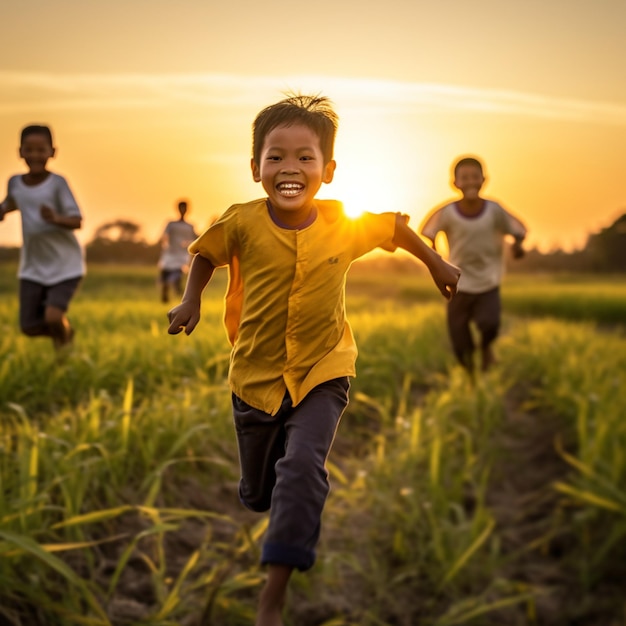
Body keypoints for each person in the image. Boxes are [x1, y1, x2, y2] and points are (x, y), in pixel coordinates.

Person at [167, 94, 460, 626]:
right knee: (260, 495)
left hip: (325, 370)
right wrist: (192, 300)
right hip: (255, 379)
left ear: (327, 170)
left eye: (305, 157)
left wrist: (437, 262)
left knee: (302, 468)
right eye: (275, 156)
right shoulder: (242, 221)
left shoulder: (342, 223)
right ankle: (269, 499)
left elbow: (394, 229)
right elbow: (205, 254)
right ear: (255, 167)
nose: (290, 168)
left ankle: (270, 602)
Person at [420, 155, 527, 373]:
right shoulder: (447, 212)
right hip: (457, 283)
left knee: (490, 325)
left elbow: (518, 229)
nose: (470, 182)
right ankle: (471, 377)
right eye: (464, 177)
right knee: (459, 339)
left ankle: (486, 348)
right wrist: (436, 259)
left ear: (483, 180)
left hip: (489, 281)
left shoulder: (495, 210)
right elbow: (428, 232)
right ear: (455, 183)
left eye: (474, 177)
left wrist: (517, 245)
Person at [0, 124, 85, 352]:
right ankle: (64, 334)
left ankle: (64, 344)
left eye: (41, 150)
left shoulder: (57, 183)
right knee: (28, 326)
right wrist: (3, 210)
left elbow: (77, 221)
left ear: (52, 152)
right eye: (29, 149)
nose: (35, 155)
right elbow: (12, 202)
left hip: (65, 264)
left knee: (53, 316)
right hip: (32, 266)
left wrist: (56, 218)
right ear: (20, 152)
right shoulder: (15, 183)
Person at [158, 199, 198, 303]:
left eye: (184, 208)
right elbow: (164, 237)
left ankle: (182, 299)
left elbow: (195, 239)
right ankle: (165, 299)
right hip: (170, 253)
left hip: (182, 255)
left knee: (177, 276)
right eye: (181, 208)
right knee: (165, 276)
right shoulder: (171, 224)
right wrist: (164, 247)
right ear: (178, 209)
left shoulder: (190, 226)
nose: (182, 210)